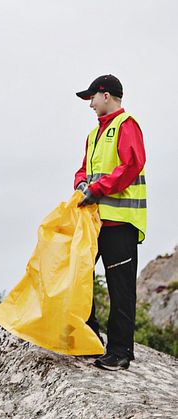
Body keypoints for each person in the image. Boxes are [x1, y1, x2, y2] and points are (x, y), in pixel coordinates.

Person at [73, 75, 146, 371]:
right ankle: (89, 337)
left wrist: (98, 189)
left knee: (121, 289)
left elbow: (132, 165)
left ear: (105, 95)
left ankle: (120, 352)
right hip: (94, 222)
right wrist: (80, 184)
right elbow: (83, 169)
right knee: (80, 278)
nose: (90, 104)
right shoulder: (94, 134)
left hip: (120, 223)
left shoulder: (126, 124)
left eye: (92, 97)